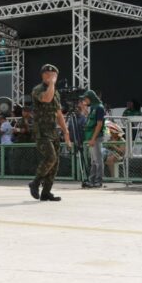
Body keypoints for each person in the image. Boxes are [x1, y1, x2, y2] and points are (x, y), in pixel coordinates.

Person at [28, 64, 73, 201]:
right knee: (50, 158)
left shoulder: (56, 93)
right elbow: (46, 98)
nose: (51, 77)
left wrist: (65, 132)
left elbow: (58, 113)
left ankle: (46, 192)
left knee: (56, 162)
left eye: (53, 75)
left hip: (52, 131)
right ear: (43, 76)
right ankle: (35, 182)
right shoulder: (38, 89)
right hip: (41, 130)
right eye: (48, 75)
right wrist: (52, 84)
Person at [80, 90, 106, 188]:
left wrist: (93, 139)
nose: (85, 100)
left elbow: (99, 125)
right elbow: (90, 119)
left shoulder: (99, 108)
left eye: (86, 98)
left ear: (90, 98)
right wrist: (84, 109)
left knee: (98, 160)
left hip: (96, 137)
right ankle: (92, 180)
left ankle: (98, 181)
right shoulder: (94, 108)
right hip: (92, 137)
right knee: (94, 160)